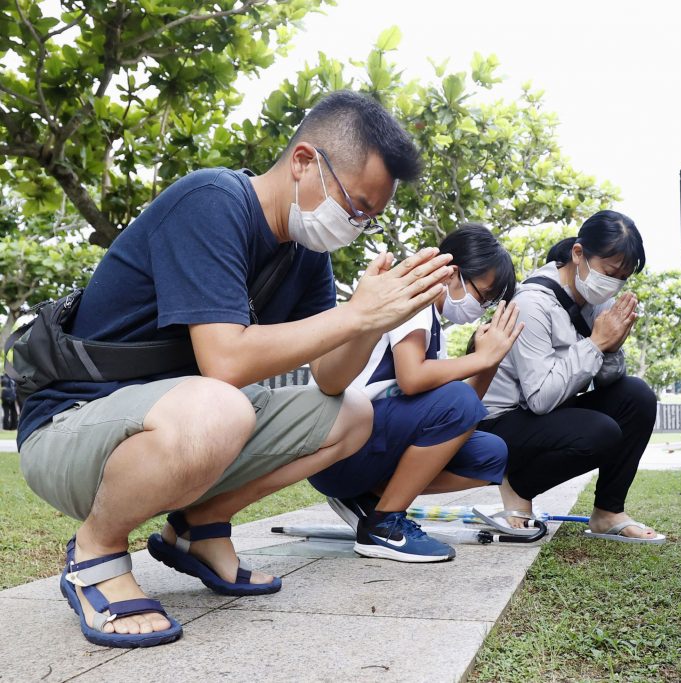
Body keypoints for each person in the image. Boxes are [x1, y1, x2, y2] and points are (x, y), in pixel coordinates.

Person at [15, 91, 454, 648]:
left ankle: (199, 528)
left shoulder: (306, 255)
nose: (356, 225)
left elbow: (329, 380)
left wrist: (368, 321)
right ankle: (96, 551)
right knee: (219, 405)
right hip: (72, 429)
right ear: (303, 162)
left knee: (353, 413)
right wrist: (357, 313)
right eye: (355, 206)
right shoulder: (211, 200)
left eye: (369, 218)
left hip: (174, 427)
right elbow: (223, 361)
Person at [308, 224, 523, 562]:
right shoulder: (415, 298)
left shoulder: (432, 322)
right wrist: (479, 358)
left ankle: (368, 499)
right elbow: (411, 379)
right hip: (339, 447)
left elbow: (458, 415)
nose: (482, 308)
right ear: (453, 273)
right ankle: (383, 525)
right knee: (459, 401)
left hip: (362, 449)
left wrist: (491, 360)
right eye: (484, 295)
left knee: (491, 455)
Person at [478, 210, 665, 544]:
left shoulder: (594, 302)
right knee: (601, 432)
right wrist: (595, 344)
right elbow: (539, 399)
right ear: (579, 254)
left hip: (544, 414)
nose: (613, 284)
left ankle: (608, 513)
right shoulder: (531, 304)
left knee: (637, 396)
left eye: (622, 278)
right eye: (609, 272)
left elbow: (606, 382)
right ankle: (518, 486)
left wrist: (610, 348)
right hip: (503, 423)